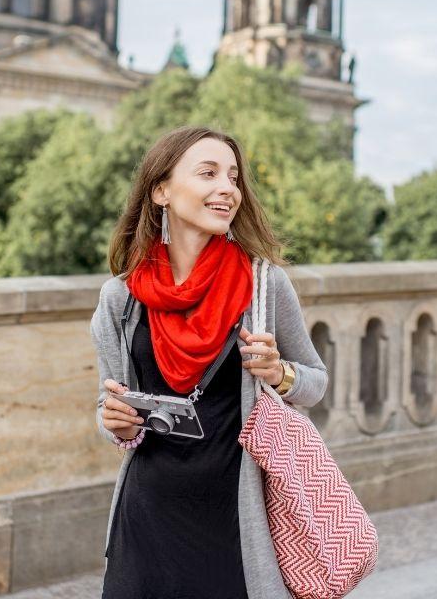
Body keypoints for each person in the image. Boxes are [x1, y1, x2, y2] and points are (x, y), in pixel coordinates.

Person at [90, 125, 328, 599]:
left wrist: (279, 373)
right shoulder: (121, 298)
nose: (228, 188)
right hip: (148, 513)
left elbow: (315, 382)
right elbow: (112, 408)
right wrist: (112, 421)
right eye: (208, 173)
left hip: (235, 516)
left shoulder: (264, 285)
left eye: (233, 177)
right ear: (161, 190)